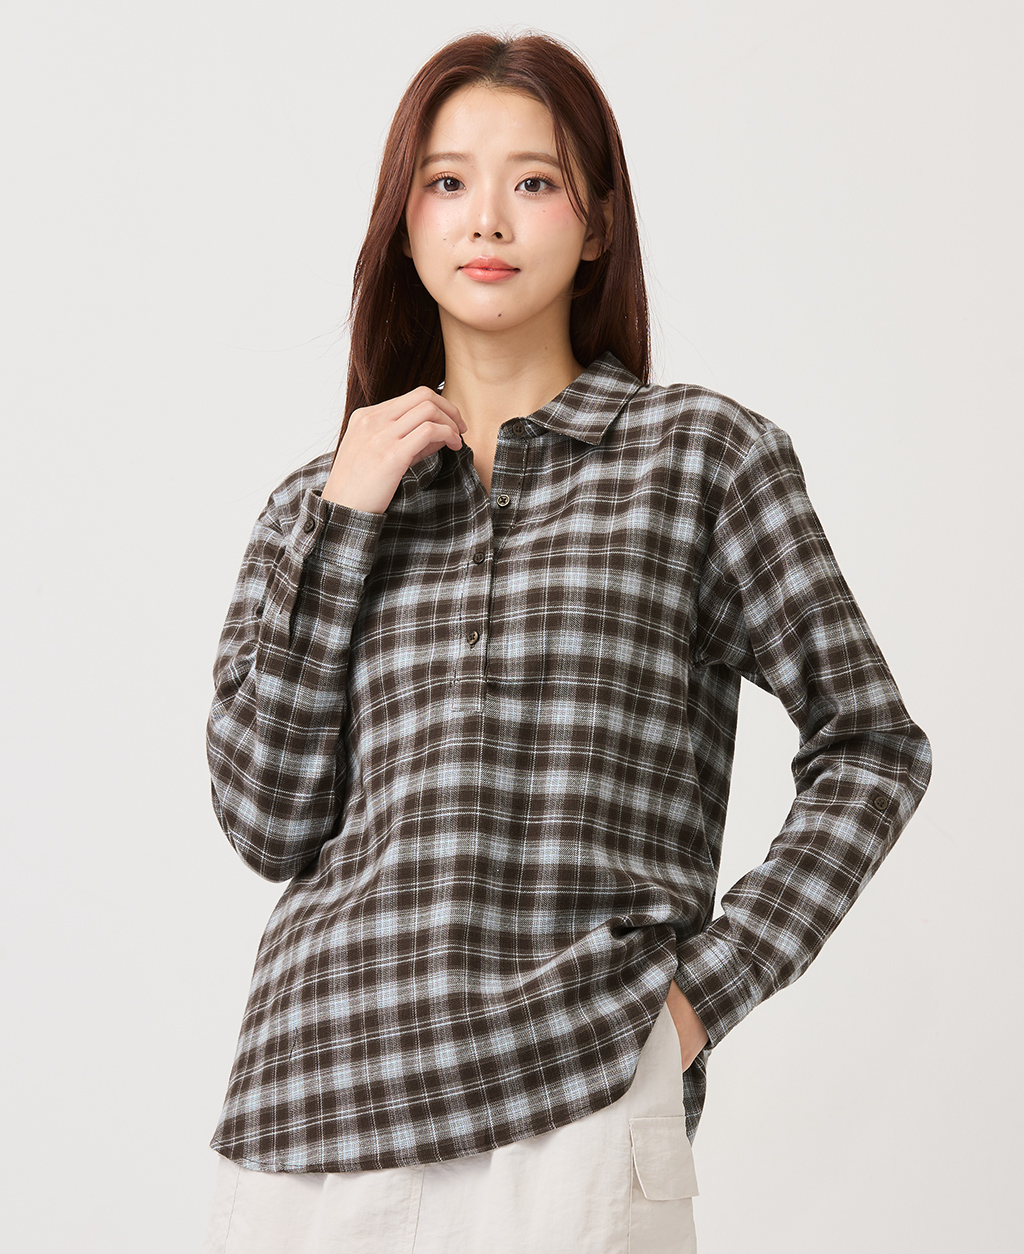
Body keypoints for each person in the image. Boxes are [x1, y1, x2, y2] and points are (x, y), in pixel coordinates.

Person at [200, 29, 931, 1254]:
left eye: (533, 181)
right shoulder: (313, 504)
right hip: (308, 1120)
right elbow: (266, 820)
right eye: (446, 182)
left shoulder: (699, 458)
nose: (486, 217)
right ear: (404, 225)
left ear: (595, 225)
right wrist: (345, 518)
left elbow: (871, 747)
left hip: (571, 1105)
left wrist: (693, 1003)